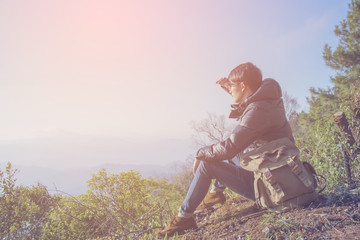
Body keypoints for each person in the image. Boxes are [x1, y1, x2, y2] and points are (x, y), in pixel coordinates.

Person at [156, 62, 294, 237]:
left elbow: (229, 147)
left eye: (233, 87)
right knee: (235, 152)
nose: (231, 92)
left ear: (243, 85)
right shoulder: (267, 101)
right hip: (278, 171)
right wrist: (229, 87)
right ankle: (215, 194)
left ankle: (183, 218)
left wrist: (200, 153)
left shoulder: (258, 110)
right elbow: (247, 98)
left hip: (273, 188)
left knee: (208, 164)